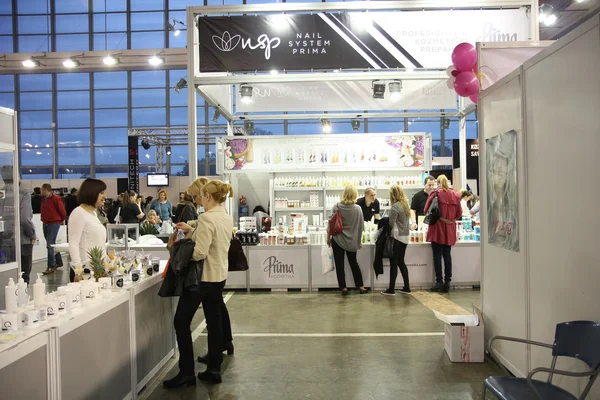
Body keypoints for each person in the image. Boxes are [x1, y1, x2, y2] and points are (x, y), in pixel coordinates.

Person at [165, 180, 234, 388]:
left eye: (201, 196)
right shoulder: (226, 217)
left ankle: (186, 372)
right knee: (214, 322)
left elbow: (200, 252)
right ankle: (214, 368)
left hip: (201, 279)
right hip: (219, 276)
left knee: (181, 322)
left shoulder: (206, 218)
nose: (199, 200)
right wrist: (193, 228)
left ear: (207, 197)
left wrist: (182, 251)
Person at [424, 175, 462, 293]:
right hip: (449, 228)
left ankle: (439, 282)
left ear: (438, 182)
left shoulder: (435, 194)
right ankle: (447, 282)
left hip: (437, 228)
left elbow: (426, 210)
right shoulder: (456, 195)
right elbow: (459, 213)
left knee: (437, 255)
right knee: (447, 254)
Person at [327, 186, 367, 296]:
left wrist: (328, 238)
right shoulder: (358, 208)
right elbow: (361, 226)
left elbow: (330, 224)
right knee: (354, 263)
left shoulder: (336, 207)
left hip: (338, 239)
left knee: (340, 265)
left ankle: (343, 288)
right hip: (352, 241)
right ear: (355, 194)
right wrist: (359, 241)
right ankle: (361, 286)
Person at [68, 179, 108, 282]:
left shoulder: (94, 214)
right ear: (92, 193)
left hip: (98, 270)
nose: (105, 196)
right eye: (101, 193)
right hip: (85, 272)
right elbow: (73, 243)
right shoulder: (78, 213)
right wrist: (78, 270)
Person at [381, 185, 412, 296]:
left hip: (397, 238)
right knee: (401, 262)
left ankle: (391, 289)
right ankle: (407, 287)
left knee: (393, 263)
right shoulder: (405, 205)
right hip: (405, 237)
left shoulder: (395, 207)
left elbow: (391, 223)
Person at [41, 183, 66, 275]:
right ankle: (58, 261)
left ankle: (51, 266)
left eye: (41, 189)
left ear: (45, 190)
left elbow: (62, 212)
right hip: (45, 223)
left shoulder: (56, 199)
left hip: (53, 223)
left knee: (50, 245)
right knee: (51, 244)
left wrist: (59, 221)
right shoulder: (43, 199)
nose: (40, 191)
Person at [19, 185, 37, 284]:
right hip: (23, 239)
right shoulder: (23, 193)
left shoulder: (3, 193)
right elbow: (25, 219)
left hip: (5, 241)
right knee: (24, 277)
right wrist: (32, 235)